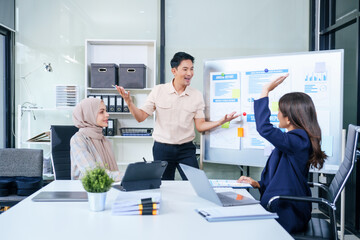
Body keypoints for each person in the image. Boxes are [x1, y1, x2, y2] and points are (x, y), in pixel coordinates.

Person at [116, 52, 239, 180]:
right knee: (164, 186)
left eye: (191, 69)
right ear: (174, 71)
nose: (190, 73)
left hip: (186, 150)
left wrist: (220, 121)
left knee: (195, 183)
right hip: (162, 149)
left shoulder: (196, 95)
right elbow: (140, 117)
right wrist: (129, 102)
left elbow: (200, 126)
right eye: (185, 69)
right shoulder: (158, 90)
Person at [238, 74, 327, 233]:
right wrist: (257, 184)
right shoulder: (294, 140)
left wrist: (265, 90)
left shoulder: (299, 140)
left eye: (279, 110)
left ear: (290, 117)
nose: (277, 114)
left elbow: (264, 128)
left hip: (288, 212)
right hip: (283, 205)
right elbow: (281, 174)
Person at [70, 98, 122, 182]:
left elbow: (111, 172)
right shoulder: (78, 140)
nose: (107, 114)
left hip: (106, 187)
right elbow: (93, 174)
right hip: (85, 191)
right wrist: (126, 175)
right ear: (88, 114)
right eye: (102, 112)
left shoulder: (104, 140)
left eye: (106, 111)